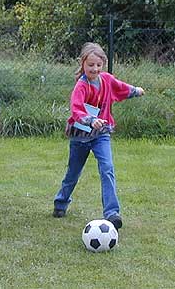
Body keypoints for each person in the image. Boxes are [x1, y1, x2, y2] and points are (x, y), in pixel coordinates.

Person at [52, 42, 145, 231]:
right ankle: (61, 203)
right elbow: (76, 109)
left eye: (98, 65)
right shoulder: (81, 86)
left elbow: (121, 88)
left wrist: (136, 91)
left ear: (103, 64)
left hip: (101, 134)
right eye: (90, 65)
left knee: (107, 168)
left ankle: (112, 213)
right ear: (83, 64)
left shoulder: (107, 80)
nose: (95, 69)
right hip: (81, 136)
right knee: (73, 173)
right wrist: (90, 120)